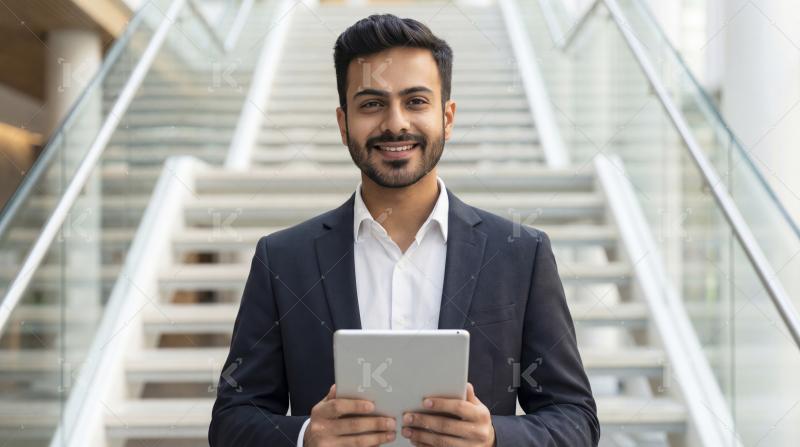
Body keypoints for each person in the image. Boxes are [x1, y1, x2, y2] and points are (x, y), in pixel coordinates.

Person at [209, 13, 599, 447]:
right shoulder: (282, 259)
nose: (395, 123)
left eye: (415, 101)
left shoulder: (520, 255)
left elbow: (575, 419)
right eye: (372, 104)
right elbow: (232, 420)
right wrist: (304, 436)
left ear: (447, 117)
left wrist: (493, 438)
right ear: (343, 124)